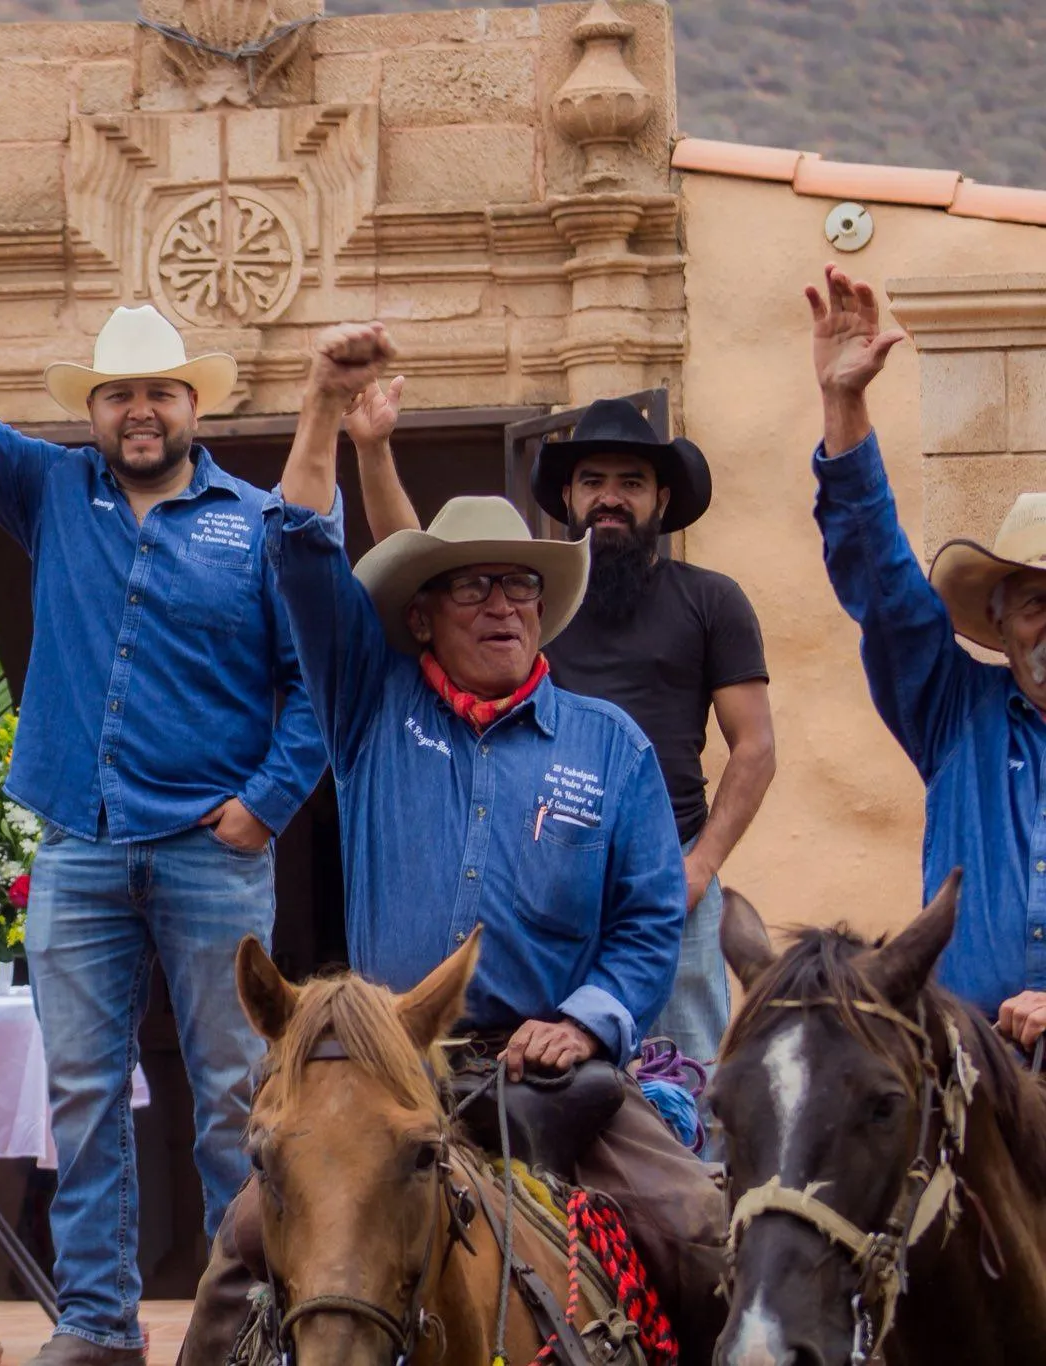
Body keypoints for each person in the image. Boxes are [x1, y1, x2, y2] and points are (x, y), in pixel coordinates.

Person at [179, 325, 720, 1364]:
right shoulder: (365, 703)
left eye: (519, 586)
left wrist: (585, 1018)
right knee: (237, 1257)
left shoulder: (607, 747)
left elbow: (651, 916)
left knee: (697, 1228)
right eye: (472, 587)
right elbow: (296, 547)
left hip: (550, 1073)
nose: (501, 604)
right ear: (419, 617)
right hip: (381, 1074)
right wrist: (320, 405)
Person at [0, 179, 325, 1365]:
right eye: (117, 393)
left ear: (189, 405)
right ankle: (98, 1322)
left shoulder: (256, 522)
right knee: (82, 1098)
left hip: (211, 855)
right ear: (97, 408)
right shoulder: (50, 489)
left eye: (157, 392)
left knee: (233, 1098)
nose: (136, 410)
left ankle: (240, 1321)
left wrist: (263, 806)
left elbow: (319, 683)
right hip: (76, 845)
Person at [345, 377, 775, 1067]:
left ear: (661, 500)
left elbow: (754, 746)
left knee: (686, 1089)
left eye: (632, 482)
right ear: (570, 499)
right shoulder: (508, 608)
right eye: (593, 481)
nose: (611, 496)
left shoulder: (711, 601)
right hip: (548, 864)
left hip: (674, 874)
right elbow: (417, 557)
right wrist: (373, 451)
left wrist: (700, 866)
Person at [805, 263, 1046, 1051]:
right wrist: (845, 402)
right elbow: (885, 588)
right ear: (1002, 625)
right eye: (1041, 606)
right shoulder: (956, 713)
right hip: (964, 1072)